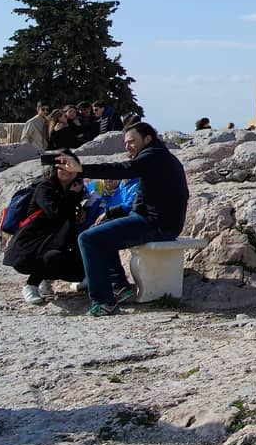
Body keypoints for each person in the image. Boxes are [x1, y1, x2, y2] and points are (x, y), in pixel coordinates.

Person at [59, 121, 188, 318]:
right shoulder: (160, 156)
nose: (127, 146)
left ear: (147, 138)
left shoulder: (154, 156)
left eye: (132, 141)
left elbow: (123, 168)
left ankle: (104, 302)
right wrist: (112, 213)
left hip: (156, 225)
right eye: (126, 142)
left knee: (88, 239)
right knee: (103, 230)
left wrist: (81, 170)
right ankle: (118, 285)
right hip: (156, 221)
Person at [4, 151, 92, 303]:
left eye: (69, 167)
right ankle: (31, 285)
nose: (66, 171)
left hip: (60, 238)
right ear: (54, 169)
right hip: (35, 239)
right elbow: (55, 213)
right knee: (51, 257)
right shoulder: (44, 188)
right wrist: (72, 197)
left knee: (75, 269)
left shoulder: (77, 189)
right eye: (61, 167)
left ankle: (48, 279)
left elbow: (69, 215)